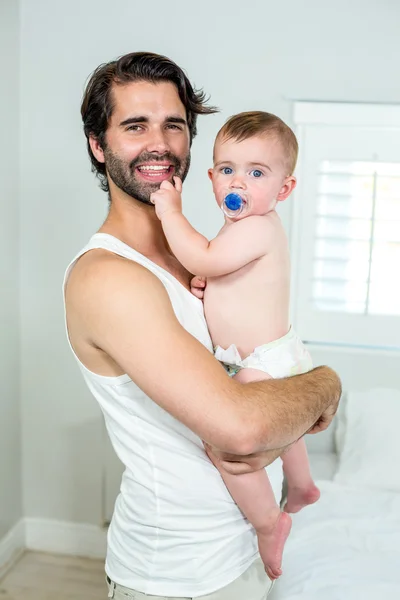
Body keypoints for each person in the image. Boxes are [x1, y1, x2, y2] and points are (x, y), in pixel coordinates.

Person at [63, 51, 341, 600]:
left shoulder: (200, 253)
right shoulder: (109, 278)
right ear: (98, 144)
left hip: (236, 556)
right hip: (178, 577)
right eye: (134, 125)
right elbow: (241, 431)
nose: (159, 143)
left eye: (174, 125)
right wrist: (327, 385)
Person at [151, 110, 321, 580]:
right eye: (227, 169)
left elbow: (202, 255)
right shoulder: (242, 228)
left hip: (258, 360)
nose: (238, 182)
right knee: (287, 427)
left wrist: (170, 212)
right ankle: (303, 485)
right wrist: (211, 286)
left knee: (228, 449)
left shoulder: (257, 226)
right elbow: (224, 271)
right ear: (211, 176)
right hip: (271, 353)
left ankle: (269, 523)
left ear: (283, 189)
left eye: (257, 173)